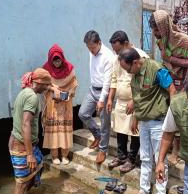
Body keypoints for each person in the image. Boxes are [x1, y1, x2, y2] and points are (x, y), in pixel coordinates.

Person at [118, 48, 176, 194]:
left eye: (128, 69)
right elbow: (138, 98)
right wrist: (136, 117)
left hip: (158, 122)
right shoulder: (134, 76)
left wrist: (171, 119)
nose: (128, 73)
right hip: (143, 121)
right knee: (144, 157)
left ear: (136, 62)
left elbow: (172, 90)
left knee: (160, 159)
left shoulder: (156, 69)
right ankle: (144, 190)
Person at [149, 9, 188, 166]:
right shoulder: (162, 40)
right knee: (169, 115)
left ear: (164, 26)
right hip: (169, 81)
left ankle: (177, 151)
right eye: (153, 29)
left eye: (156, 29)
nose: (154, 33)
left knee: (179, 115)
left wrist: (171, 58)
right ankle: (170, 147)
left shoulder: (184, 40)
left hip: (185, 82)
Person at [106, 31, 149, 173]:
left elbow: (145, 83)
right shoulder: (116, 59)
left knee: (134, 131)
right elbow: (114, 79)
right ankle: (121, 156)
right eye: (114, 50)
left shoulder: (141, 56)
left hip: (135, 101)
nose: (116, 53)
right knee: (119, 129)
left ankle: (131, 159)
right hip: (120, 100)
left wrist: (134, 100)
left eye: (118, 49)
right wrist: (110, 99)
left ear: (125, 44)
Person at [9, 68, 51, 194]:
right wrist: (29, 154)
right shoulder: (32, 97)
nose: (47, 88)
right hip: (21, 145)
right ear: (38, 82)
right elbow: (26, 123)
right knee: (21, 183)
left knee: (37, 168)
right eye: (46, 85)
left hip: (19, 141)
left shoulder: (24, 92)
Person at [78, 30, 115, 164]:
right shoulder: (91, 51)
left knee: (105, 122)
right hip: (92, 89)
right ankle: (97, 135)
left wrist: (102, 100)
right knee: (83, 114)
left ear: (99, 43)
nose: (91, 51)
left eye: (93, 48)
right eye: (88, 48)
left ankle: (103, 149)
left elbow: (107, 81)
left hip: (104, 92)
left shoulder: (108, 56)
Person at [42, 44, 78, 165]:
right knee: (54, 130)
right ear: (50, 60)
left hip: (65, 106)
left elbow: (74, 84)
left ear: (62, 58)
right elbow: (43, 85)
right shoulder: (45, 70)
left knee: (64, 130)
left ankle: (64, 155)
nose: (57, 63)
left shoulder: (69, 68)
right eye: (54, 60)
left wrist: (69, 92)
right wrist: (53, 89)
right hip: (52, 105)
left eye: (58, 60)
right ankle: (54, 156)